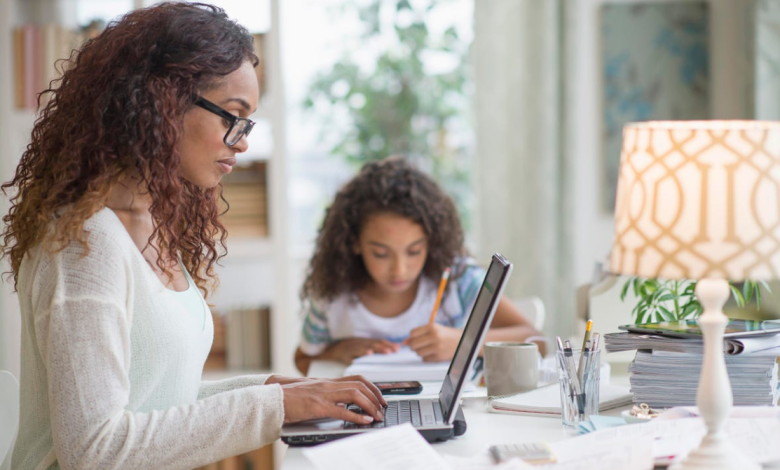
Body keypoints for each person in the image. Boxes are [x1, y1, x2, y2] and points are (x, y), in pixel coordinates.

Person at [1, 4, 385, 470]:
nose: (242, 141)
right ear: (164, 102)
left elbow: (156, 398)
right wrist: (275, 408)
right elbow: (95, 449)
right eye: (232, 116)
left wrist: (275, 391)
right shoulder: (86, 242)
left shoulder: (150, 222)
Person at [294, 157, 545, 375]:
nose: (400, 270)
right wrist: (339, 349)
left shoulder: (459, 280)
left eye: (414, 251)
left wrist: (464, 342)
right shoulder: (332, 295)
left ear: (431, 241)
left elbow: (538, 341)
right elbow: (302, 359)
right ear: (354, 242)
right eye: (381, 253)